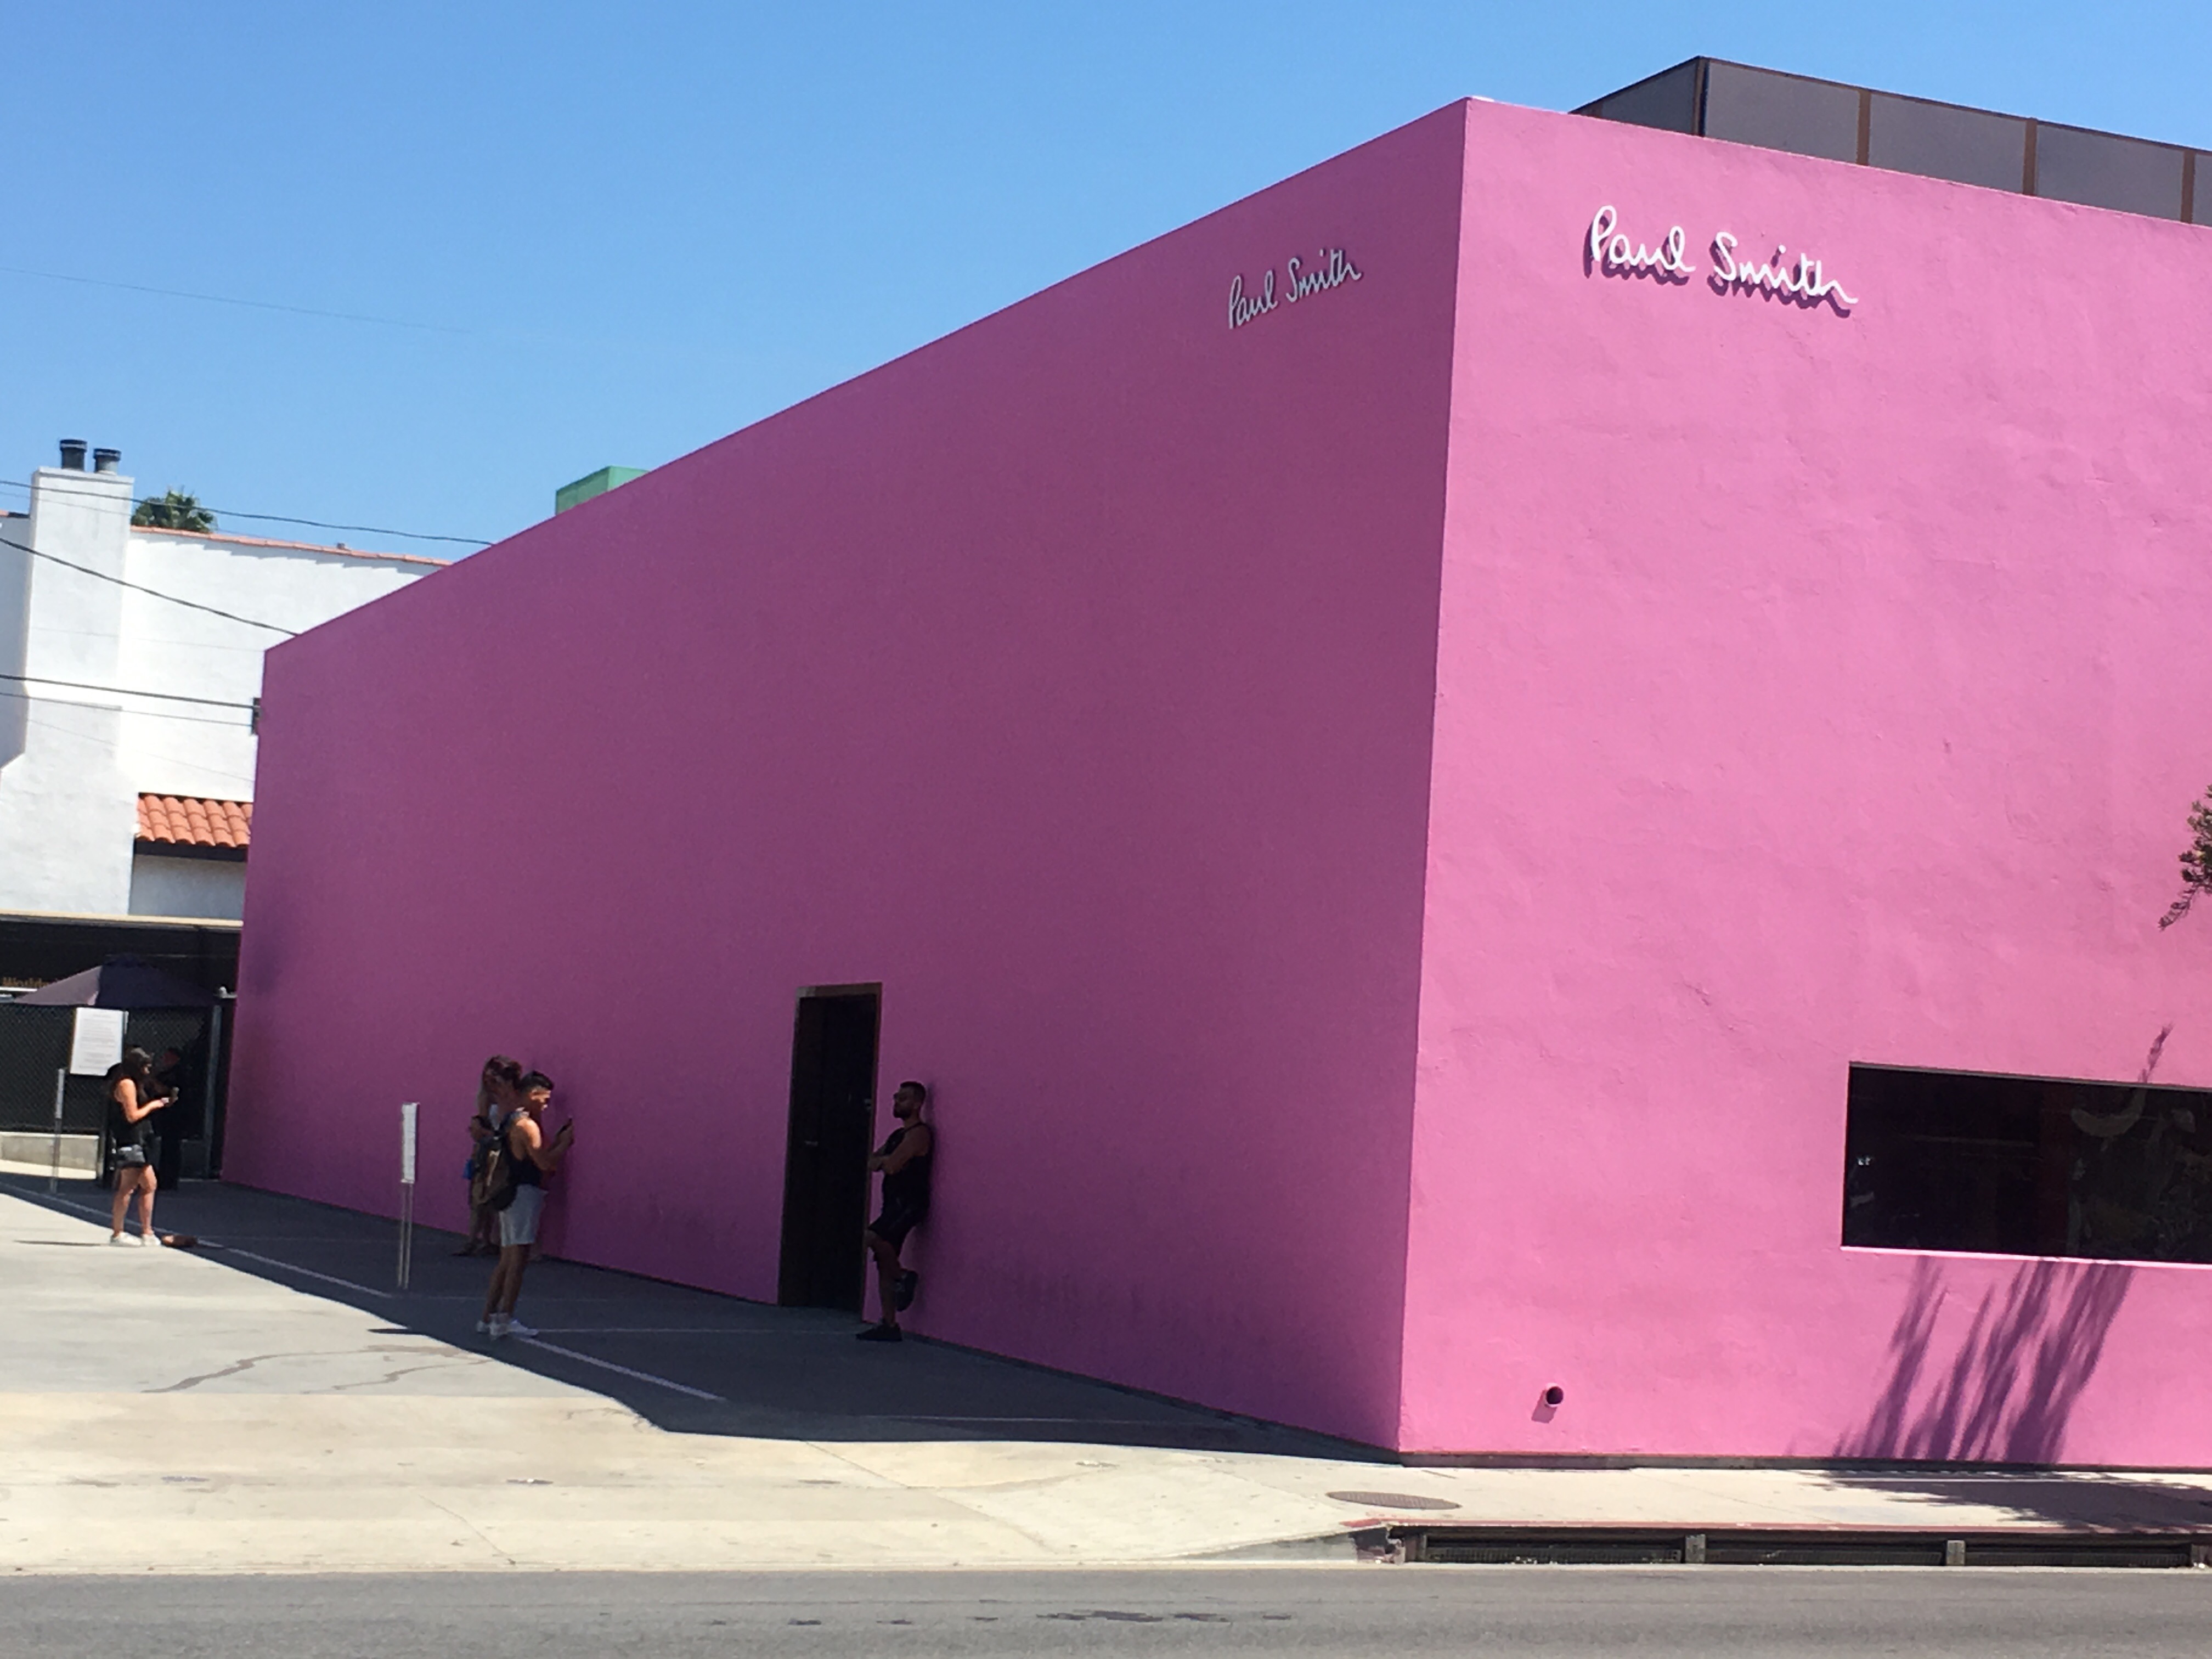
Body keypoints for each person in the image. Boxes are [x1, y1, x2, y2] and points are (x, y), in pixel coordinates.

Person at [479, 1070, 572, 1340]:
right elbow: (545, 1163)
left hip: (509, 1194)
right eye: (544, 1100)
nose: (546, 1106)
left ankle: (488, 1317)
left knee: (506, 1258)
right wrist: (564, 1144)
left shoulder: (509, 1121)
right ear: (532, 1095)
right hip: (523, 1194)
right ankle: (505, 1318)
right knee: (518, 1259)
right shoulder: (527, 1126)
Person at [856, 1081, 932, 1342]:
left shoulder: (919, 1134)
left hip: (909, 1204)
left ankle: (903, 1276)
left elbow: (891, 1166)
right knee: (883, 1259)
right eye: (896, 1098)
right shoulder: (897, 1136)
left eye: (904, 1099)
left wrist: (886, 1162)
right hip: (892, 1203)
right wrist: (885, 1161)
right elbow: (872, 1161)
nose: (897, 1103)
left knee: (872, 1236)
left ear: (918, 1104)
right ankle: (889, 1324)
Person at [456, 1056, 522, 1256]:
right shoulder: (486, 1097)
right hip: (487, 1149)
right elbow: (483, 1121)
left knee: (495, 1194)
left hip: (502, 1149)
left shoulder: (510, 1098)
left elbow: (507, 1122)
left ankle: (491, 1240)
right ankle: (475, 1239)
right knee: (479, 1197)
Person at [105, 1048, 168, 1246]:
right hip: (131, 1140)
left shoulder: (137, 1083)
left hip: (141, 1140)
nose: (148, 1071)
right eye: (145, 1067)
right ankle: (118, 1233)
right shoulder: (126, 1084)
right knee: (128, 1187)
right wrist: (153, 1106)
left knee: (150, 1184)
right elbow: (132, 1116)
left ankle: (147, 1232)